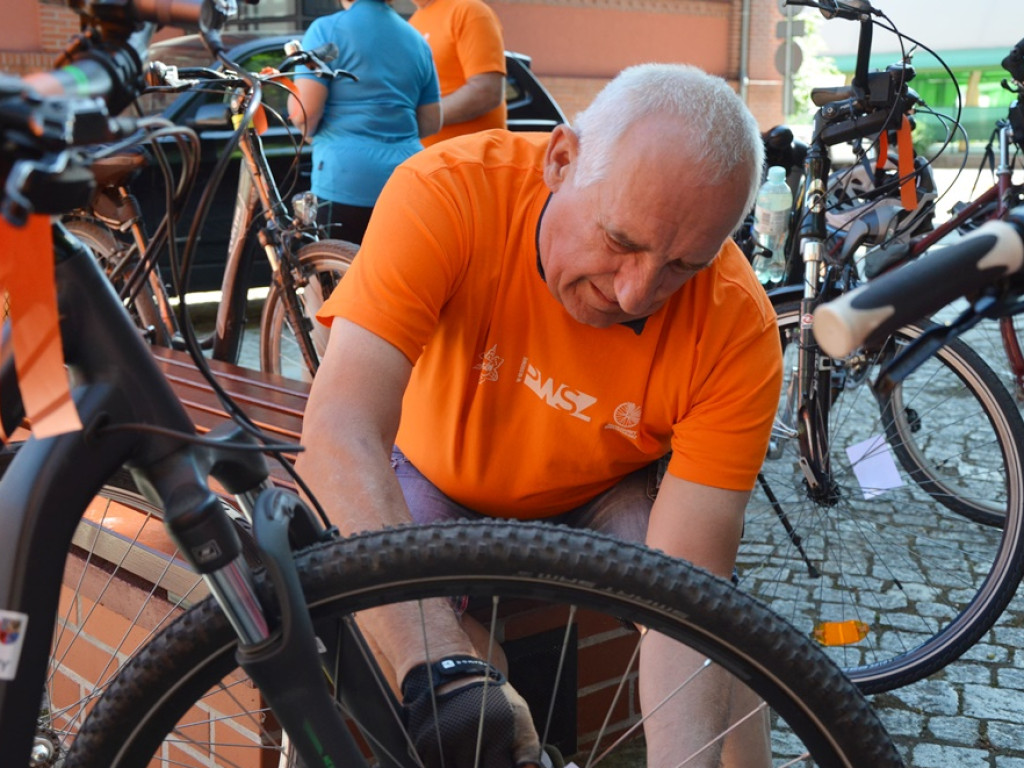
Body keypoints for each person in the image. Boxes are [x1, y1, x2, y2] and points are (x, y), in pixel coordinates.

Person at [296, 63, 782, 767]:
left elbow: (690, 591)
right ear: (561, 160)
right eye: (621, 241)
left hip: (599, 491)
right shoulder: (450, 189)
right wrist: (441, 674)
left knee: (725, 630)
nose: (637, 292)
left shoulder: (737, 325)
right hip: (436, 470)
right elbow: (338, 429)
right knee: (453, 680)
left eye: (681, 266)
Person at [288, 0, 441, 244]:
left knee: (337, 277)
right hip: (406, 182)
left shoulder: (325, 30)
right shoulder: (416, 40)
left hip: (343, 179)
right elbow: (431, 122)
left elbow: (304, 114)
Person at [408, 0, 506, 147]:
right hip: (425, 162)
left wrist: (416, 119)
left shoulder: (470, 10)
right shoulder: (414, 21)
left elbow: (486, 91)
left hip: (471, 162)